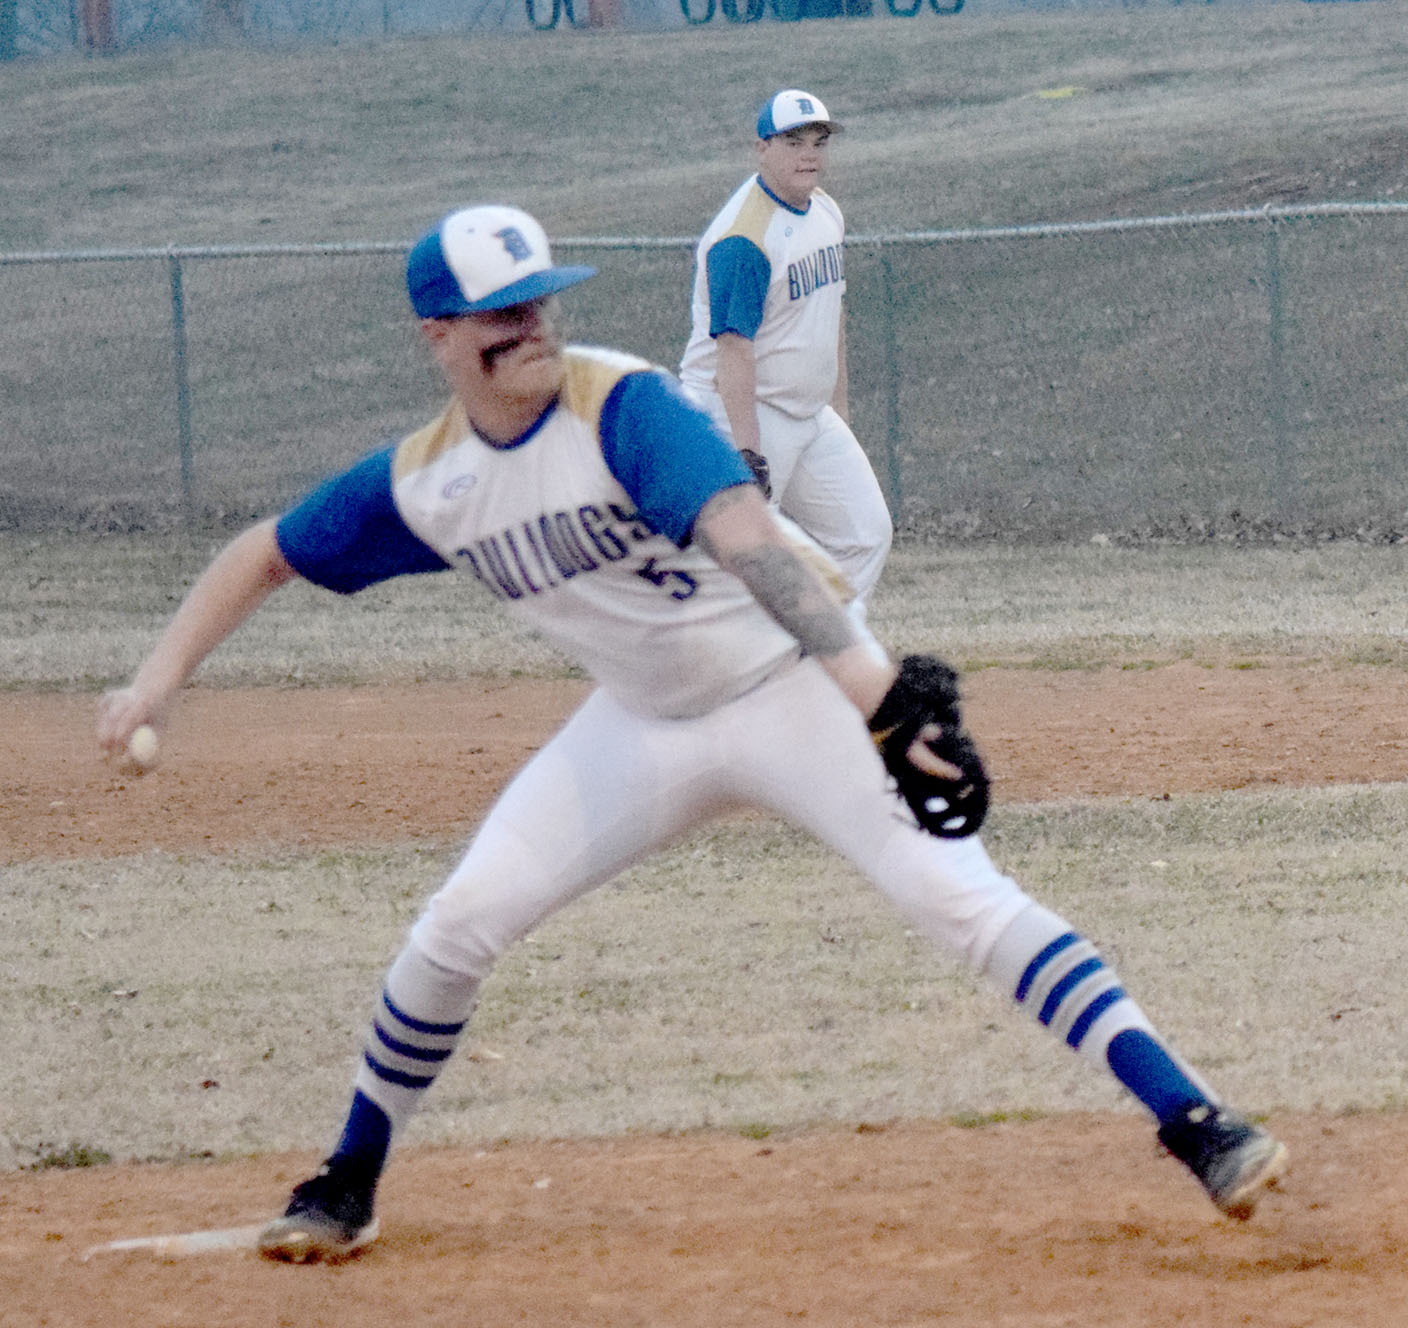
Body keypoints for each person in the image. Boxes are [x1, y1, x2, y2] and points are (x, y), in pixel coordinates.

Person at [98, 203, 1286, 1263]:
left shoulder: (621, 406)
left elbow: (749, 539)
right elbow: (264, 552)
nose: (529, 327)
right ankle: (347, 1182)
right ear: (438, 337)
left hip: (789, 690)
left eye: (538, 301)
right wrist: (155, 680)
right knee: (458, 923)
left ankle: (1197, 1122)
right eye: (496, 314)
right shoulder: (429, 483)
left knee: (956, 900)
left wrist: (873, 692)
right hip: (641, 723)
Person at [679, 88, 892, 612]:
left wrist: (836, 409)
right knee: (743, 564)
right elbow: (733, 349)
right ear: (762, 148)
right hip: (741, 410)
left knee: (865, 535)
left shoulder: (824, 212)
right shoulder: (744, 238)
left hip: (806, 411)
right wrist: (748, 453)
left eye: (818, 142)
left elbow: (831, 316)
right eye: (793, 141)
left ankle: (829, 659)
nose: (809, 154)